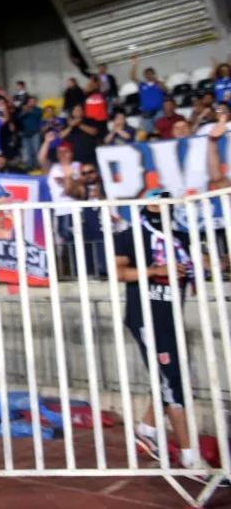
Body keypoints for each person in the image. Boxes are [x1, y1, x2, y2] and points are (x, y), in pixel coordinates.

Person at [113, 189, 211, 479]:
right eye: (159, 198)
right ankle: (189, 457)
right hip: (147, 317)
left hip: (171, 317)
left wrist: (207, 258)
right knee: (175, 384)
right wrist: (157, 269)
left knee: (168, 378)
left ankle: (147, 429)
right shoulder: (131, 235)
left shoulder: (181, 237)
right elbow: (119, 272)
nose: (164, 203)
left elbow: (208, 265)